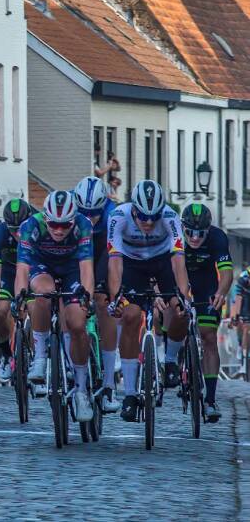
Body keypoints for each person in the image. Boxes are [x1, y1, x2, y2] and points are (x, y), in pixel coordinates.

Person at [107, 180, 190, 423]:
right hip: (131, 265)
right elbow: (115, 262)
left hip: (162, 262)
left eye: (154, 217)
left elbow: (178, 261)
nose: (149, 222)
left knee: (181, 309)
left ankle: (171, 359)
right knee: (130, 316)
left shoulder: (170, 217)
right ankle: (130, 394)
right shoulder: (118, 217)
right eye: (143, 216)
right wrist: (116, 297)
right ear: (133, 208)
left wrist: (183, 296)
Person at [15, 191, 95, 422]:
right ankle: (40, 357)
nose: (59, 230)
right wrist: (20, 297)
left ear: (73, 220)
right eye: (53, 225)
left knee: (77, 324)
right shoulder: (31, 226)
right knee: (43, 293)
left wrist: (87, 298)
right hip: (42, 266)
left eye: (65, 225)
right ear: (45, 218)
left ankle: (81, 391)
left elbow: (86, 268)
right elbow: (22, 269)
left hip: (72, 268)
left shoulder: (83, 225)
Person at [72, 176, 120, 413]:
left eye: (94, 213)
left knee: (102, 301)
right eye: (84, 213)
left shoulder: (112, 216)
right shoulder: (70, 209)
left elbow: (113, 259)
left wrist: (110, 291)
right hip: (76, 248)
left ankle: (109, 383)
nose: (89, 218)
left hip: (103, 249)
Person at [182, 203, 232, 423]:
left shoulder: (217, 237)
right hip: (180, 278)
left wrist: (221, 292)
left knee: (209, 336)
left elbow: (227, 272)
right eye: (189, 233)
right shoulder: (174, 236)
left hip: (206, 286)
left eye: (200, 234)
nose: (194, 238)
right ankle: (172, 360)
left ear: (208, 230)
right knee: (168, 316)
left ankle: (210, 400)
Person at [0, 199, 33, 383]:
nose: (17, 234)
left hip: (33, 271)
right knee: (0, 310)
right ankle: (5, 353)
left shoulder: (39, 228)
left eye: (21, 228)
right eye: (13, 229)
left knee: (36, 309)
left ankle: (37, 356)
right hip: (8, 272)